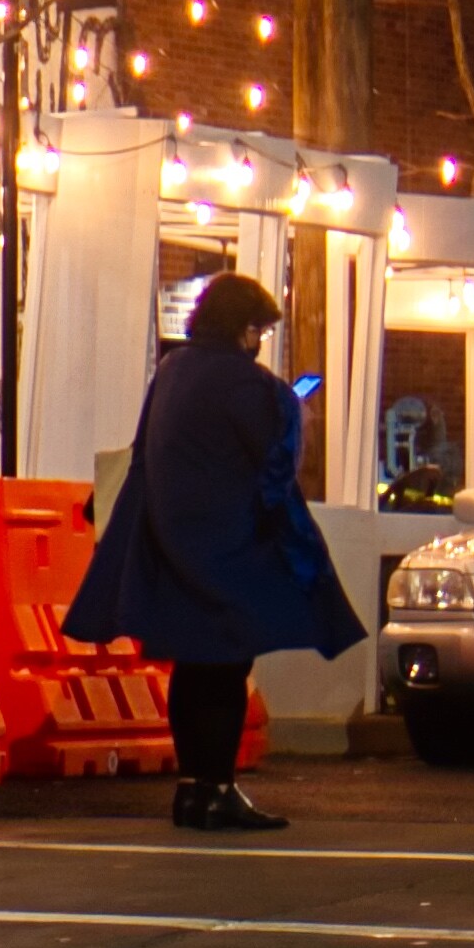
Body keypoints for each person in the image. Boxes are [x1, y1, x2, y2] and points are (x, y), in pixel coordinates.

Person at [65, 271, 367, 833]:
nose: (260, 341)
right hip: (230, 545)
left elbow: (142, 450)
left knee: (191, 665)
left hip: (168, 542)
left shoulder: (172, 370)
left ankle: (190, 791)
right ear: (245, 328)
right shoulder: (251, 386)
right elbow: (273, 474)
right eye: (260, 330)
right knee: (228, 667)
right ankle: (220, 789)